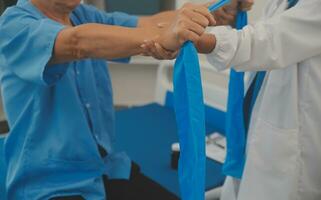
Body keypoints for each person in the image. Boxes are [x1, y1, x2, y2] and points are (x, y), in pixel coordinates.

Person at [0, 0, 217, 199]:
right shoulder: (14, 25)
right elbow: (76, 43)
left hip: (105, 169)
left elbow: (150, 22)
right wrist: (162, 37)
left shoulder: (82, 15)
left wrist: (209, 12)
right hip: (50, 184)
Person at [143, 0, 321, 199]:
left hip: (291, 147)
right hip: (256, 127)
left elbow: (266, 42)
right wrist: (236, 21)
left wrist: (196, 39)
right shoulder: (283, 3)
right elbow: (264, 35)